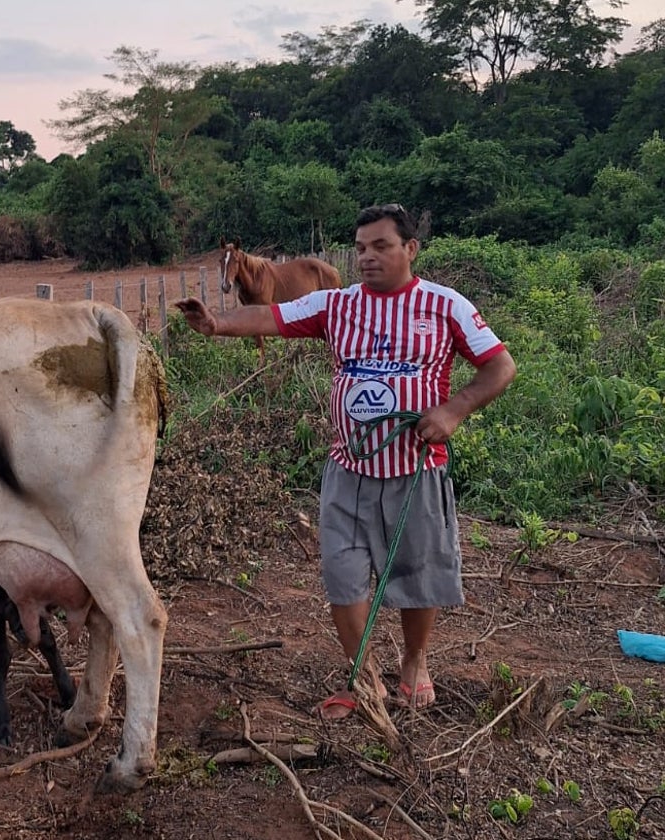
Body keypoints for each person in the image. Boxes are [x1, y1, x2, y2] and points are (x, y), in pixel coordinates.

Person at [176, 204, 516, 719]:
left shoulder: (445, 306)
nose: (368, 258)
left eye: (381, 247)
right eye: (361, 248)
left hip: (416, 468)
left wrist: (452, 410)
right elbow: (271, 315)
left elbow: (499, 366)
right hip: (349, 468)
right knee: (342, 575)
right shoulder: (336, 305)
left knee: (417, 572)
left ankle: (414, 663)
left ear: (410, 250)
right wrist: (216, 323)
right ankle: (365, 677)